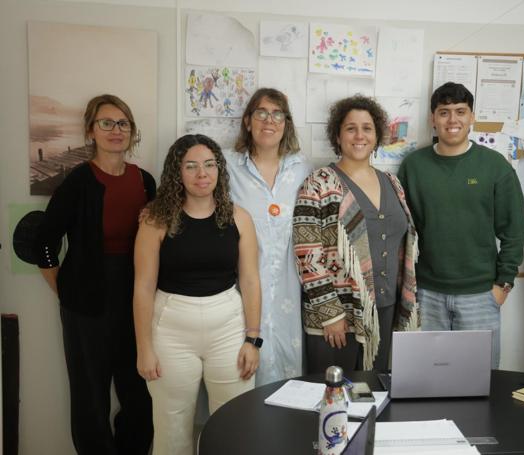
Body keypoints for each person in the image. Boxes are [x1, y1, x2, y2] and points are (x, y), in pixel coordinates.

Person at [35, 94, 155, 454]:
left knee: (139, 390)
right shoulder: (77, 182)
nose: (115, 131)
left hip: (137, 299)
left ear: (132, 131)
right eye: (106, 123)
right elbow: (43, 243)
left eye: (123, 124)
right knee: (90, 395)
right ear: (91, 130)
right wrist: (67, 291)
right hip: (86, 306)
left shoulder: (146, 181)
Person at [133, 134, 261, 455]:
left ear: (219, 169)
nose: (202, 173)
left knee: (233, 424)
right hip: (171, 330)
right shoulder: (155, 220)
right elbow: (143, 287)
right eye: (191, 166)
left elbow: (250, 281)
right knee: (171, 426)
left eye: (208, 164)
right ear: (177, 173)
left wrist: (253, 339)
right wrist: (144, 348)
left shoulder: (238, 217)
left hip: (228, 327)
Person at [398, 82, 524, 369]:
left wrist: (502, 285)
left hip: (481, 295)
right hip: (427, 294)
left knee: (480, 381)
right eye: (444, 112)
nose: (452, 120)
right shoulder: (413, 166)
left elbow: (515, 230)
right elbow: (404, 229)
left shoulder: (495, 166)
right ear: (433, 119)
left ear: (472, 117)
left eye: (460, 111)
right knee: (429, 380)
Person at [293, 95, 418, 373]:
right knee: (334, 401)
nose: (359, 135)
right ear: (337, 136)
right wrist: (331, 314)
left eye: (367, 128)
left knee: (375, 395)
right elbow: (306, 255)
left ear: (377, 136)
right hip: (338, 318)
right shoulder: (319, 183)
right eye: (351, 128)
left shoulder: (392, 182)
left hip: (384, 311)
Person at [226, 88, 311, 385]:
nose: (269, 121)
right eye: (261, 113)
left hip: (291, 294)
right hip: (239, 294)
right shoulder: (226, 167)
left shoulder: (304, 169)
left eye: (277, 114)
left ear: (286, 123)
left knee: (290, 384)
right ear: (248, 121)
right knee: (240, 381)